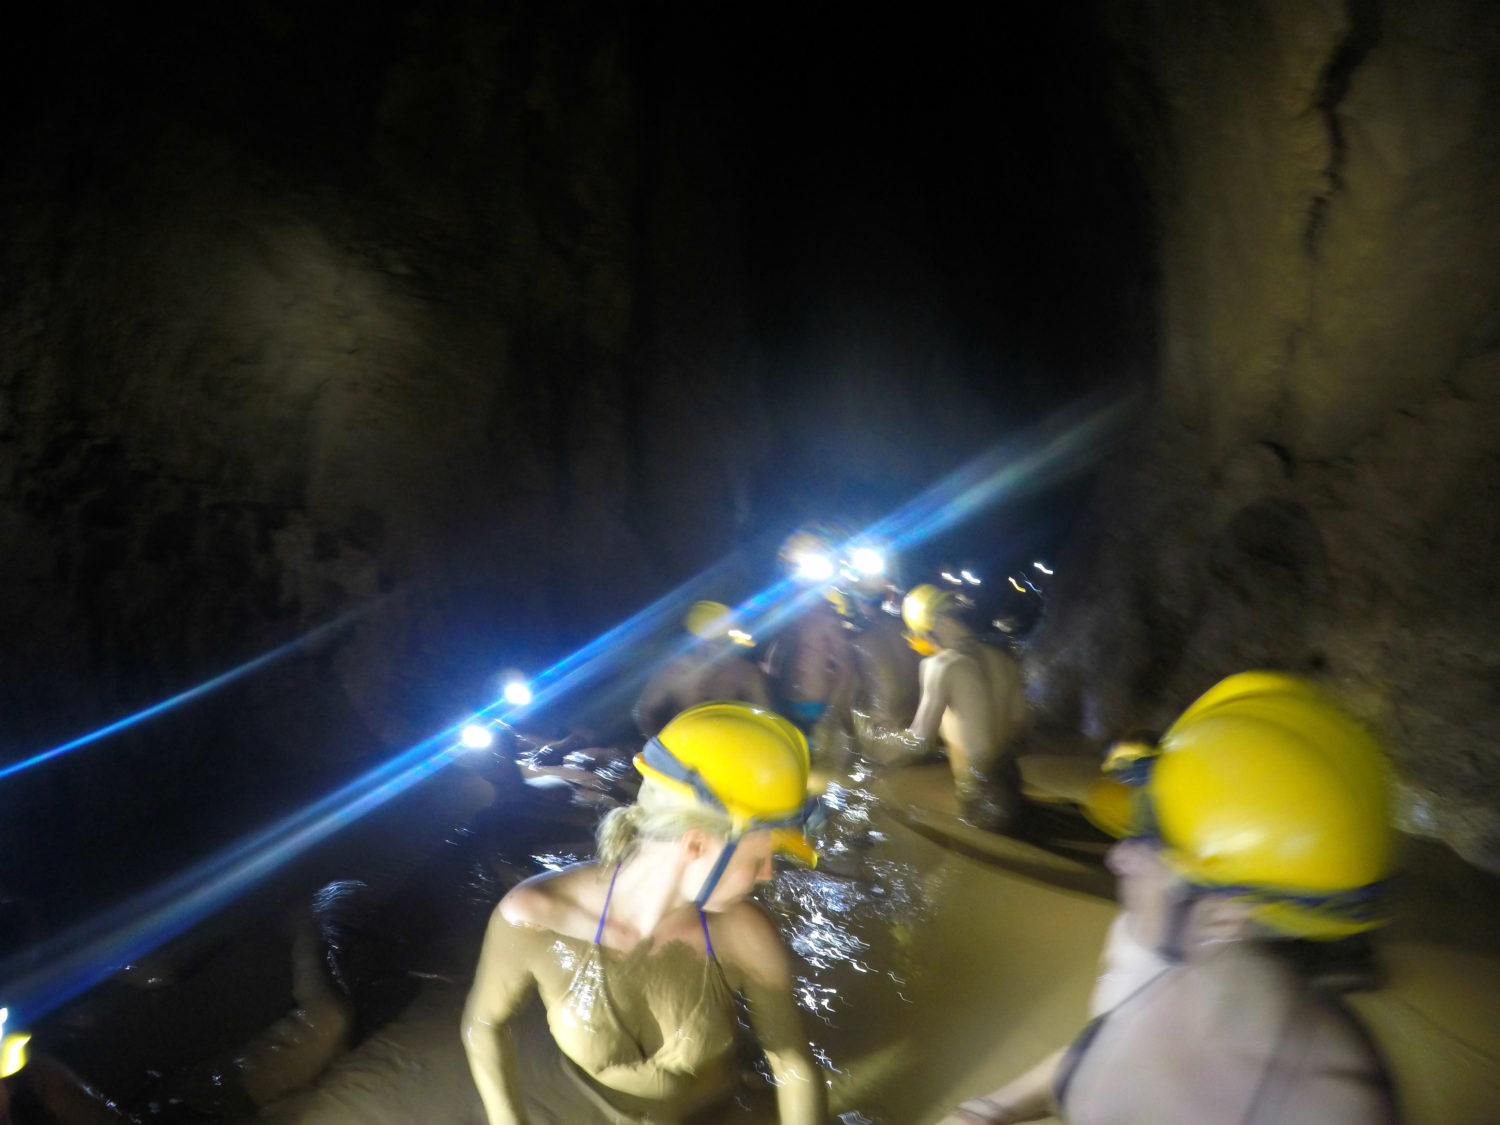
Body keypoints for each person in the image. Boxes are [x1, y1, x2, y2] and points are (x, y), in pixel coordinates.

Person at [938, 672, 1400, 1125]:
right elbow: (1099, 1050)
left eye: (1147, 845)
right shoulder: (1165, 960)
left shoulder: (1329, 1106)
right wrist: (991, 1110)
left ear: (1223, 916)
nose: (1120, 859)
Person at [462, 701, 831, 1125]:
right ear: (696, 845)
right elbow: (484, 1026)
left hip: (715, 1111)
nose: (768, 875)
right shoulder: (534, 918)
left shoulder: (746, 936)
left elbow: (793, 1066)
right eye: (762, 858)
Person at [852, 583, 1028, 831]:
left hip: (978, 800)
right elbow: (1020, 726)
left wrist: (873, 741)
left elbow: (918, 741)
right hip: (1013, 786)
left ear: (936, 623)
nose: (926, 647)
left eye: (922, 638)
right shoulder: (1004, 660)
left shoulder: (941, 665)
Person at [633, 603, 774, 740]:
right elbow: (644, 712)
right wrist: (658, 743)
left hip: (732, 745)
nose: (726, 648)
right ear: (698, 642)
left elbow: (769, 718)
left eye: (728, 641)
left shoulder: (746, 672)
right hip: (685, 744)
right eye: (719, 641)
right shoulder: (673, 671)